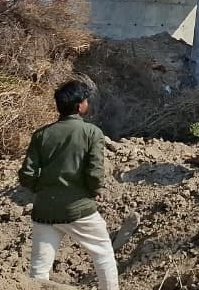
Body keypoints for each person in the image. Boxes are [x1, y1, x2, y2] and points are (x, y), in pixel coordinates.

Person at [18, 79, 118, 290]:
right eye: (85, 100)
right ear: (80, 105)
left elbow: (27, 174)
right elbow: (95, 172)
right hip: (79, 208)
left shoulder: (41, 135)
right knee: (104, 254)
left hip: (44, 209)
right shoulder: (92, 133)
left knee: (39, 269)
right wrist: (94, 191)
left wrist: (40, 189)